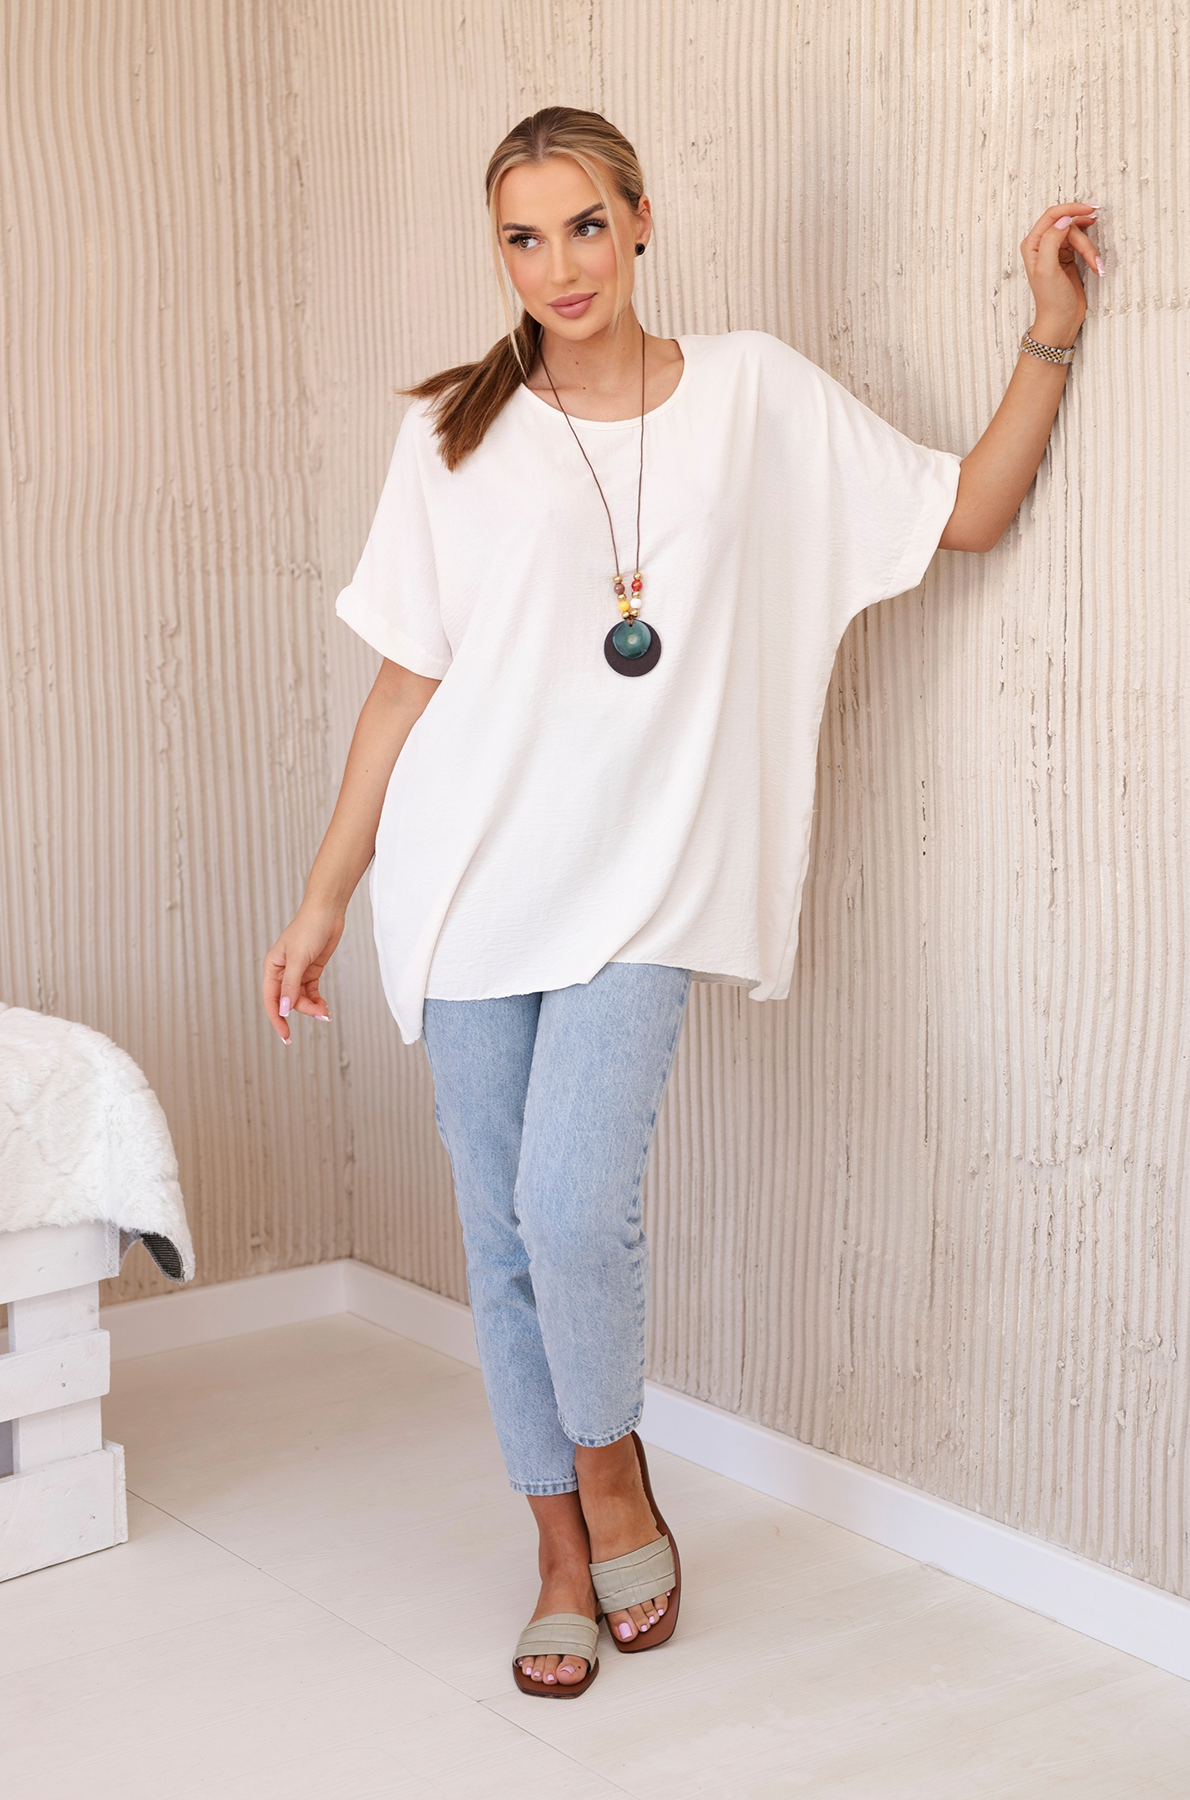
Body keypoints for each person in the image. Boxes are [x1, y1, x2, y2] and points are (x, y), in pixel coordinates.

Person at [262, 106, 1101, 1698]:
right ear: (499, 254)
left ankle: (613, 1471)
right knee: (502, 1233)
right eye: (523, 238)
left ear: (641, 219)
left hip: (645, 884)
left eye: (585, 224)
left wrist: (1047, 329)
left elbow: (964, 513)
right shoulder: (449, 431)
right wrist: (323, 898)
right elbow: (403, 688)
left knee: (572, 1210)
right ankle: (557, 1554)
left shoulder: (754, 396)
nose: (559, 265)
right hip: (463, 885)